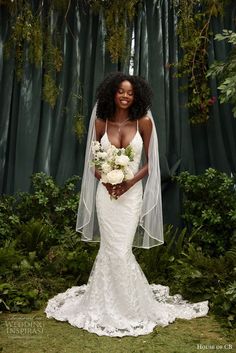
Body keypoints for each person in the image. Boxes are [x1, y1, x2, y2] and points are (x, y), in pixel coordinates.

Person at [45, 72, 208, 337]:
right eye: (121, 91)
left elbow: (151, 163)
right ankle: (106, 304)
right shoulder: (101, 122)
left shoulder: (144, 122)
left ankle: (131, 307)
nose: (125, 96)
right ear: (112, 93)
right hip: (106, 196)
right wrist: (106, 180)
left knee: (121, 250)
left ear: (137, 96)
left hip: (131, 196)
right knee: (111, 250)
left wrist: (129, 183)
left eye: (130, 92)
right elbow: (93, 162)